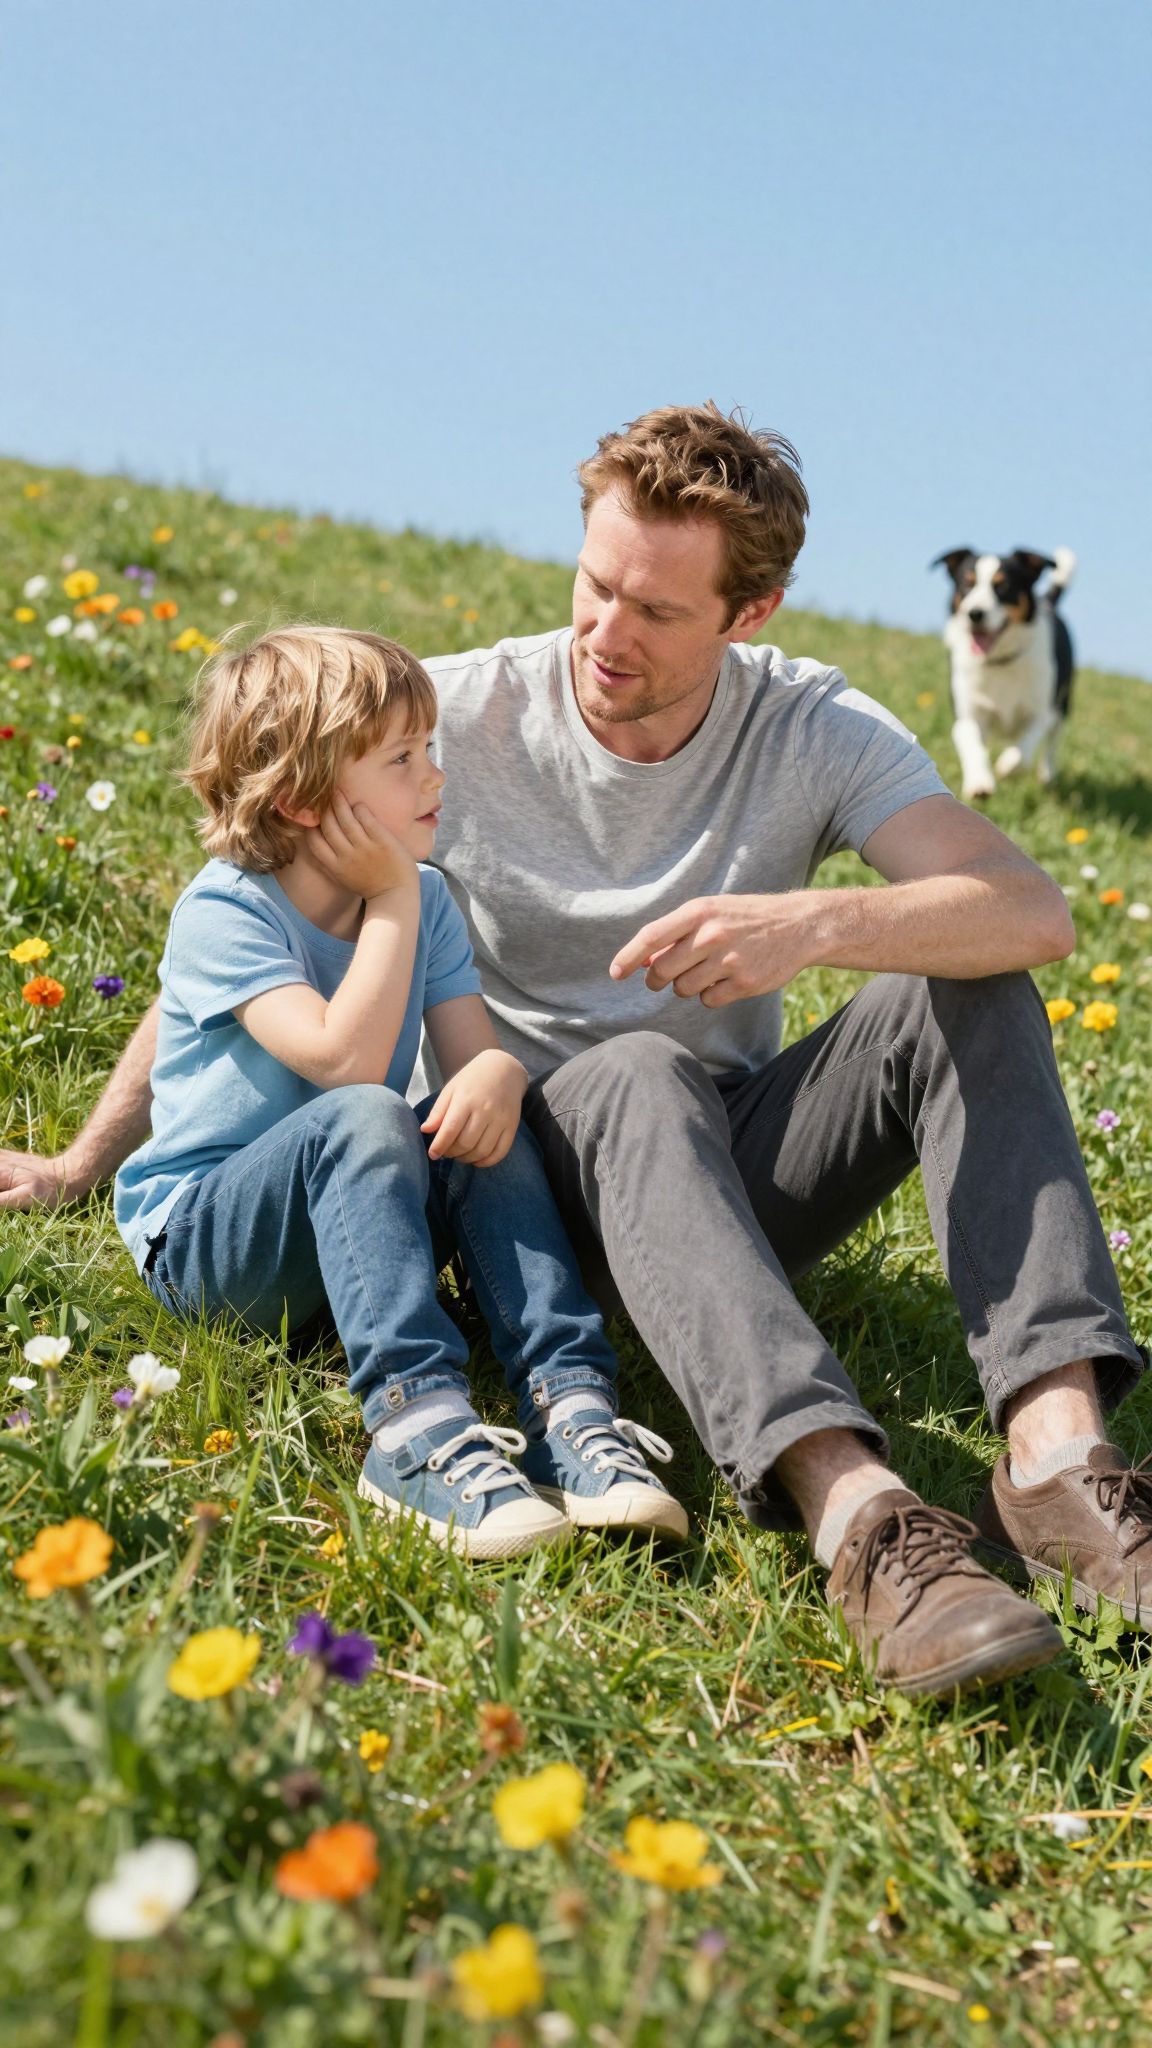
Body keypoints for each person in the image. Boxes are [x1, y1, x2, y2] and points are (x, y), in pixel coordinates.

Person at [5, 406, 1146, 1695]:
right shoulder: (452, 724)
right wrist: (84, 1159)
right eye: (596, 584)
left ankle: (1058, 1463)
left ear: (749, 613)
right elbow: (252, 933)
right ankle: (864, 1516)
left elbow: (1034, 911)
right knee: (636, 1069)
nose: (608, 633)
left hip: (726, 1168)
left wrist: (813, 922)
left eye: (659, 610)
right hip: (522, 1194)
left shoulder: (811, 727)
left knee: (974, 981)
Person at [106, 625, 688, 1559]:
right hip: (213, 1249)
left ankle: (570, 1408)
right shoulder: (228, 909)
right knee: (373, 1113)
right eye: (402, 758)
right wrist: (391, 899)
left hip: (350, 1239)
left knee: (481, 1129)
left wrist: (496, 1076)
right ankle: (415, 1429)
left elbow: (473, 1058)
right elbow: (344, 1064)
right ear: (302, 798)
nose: (434, 778)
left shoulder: (422, 898)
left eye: (432, 751)